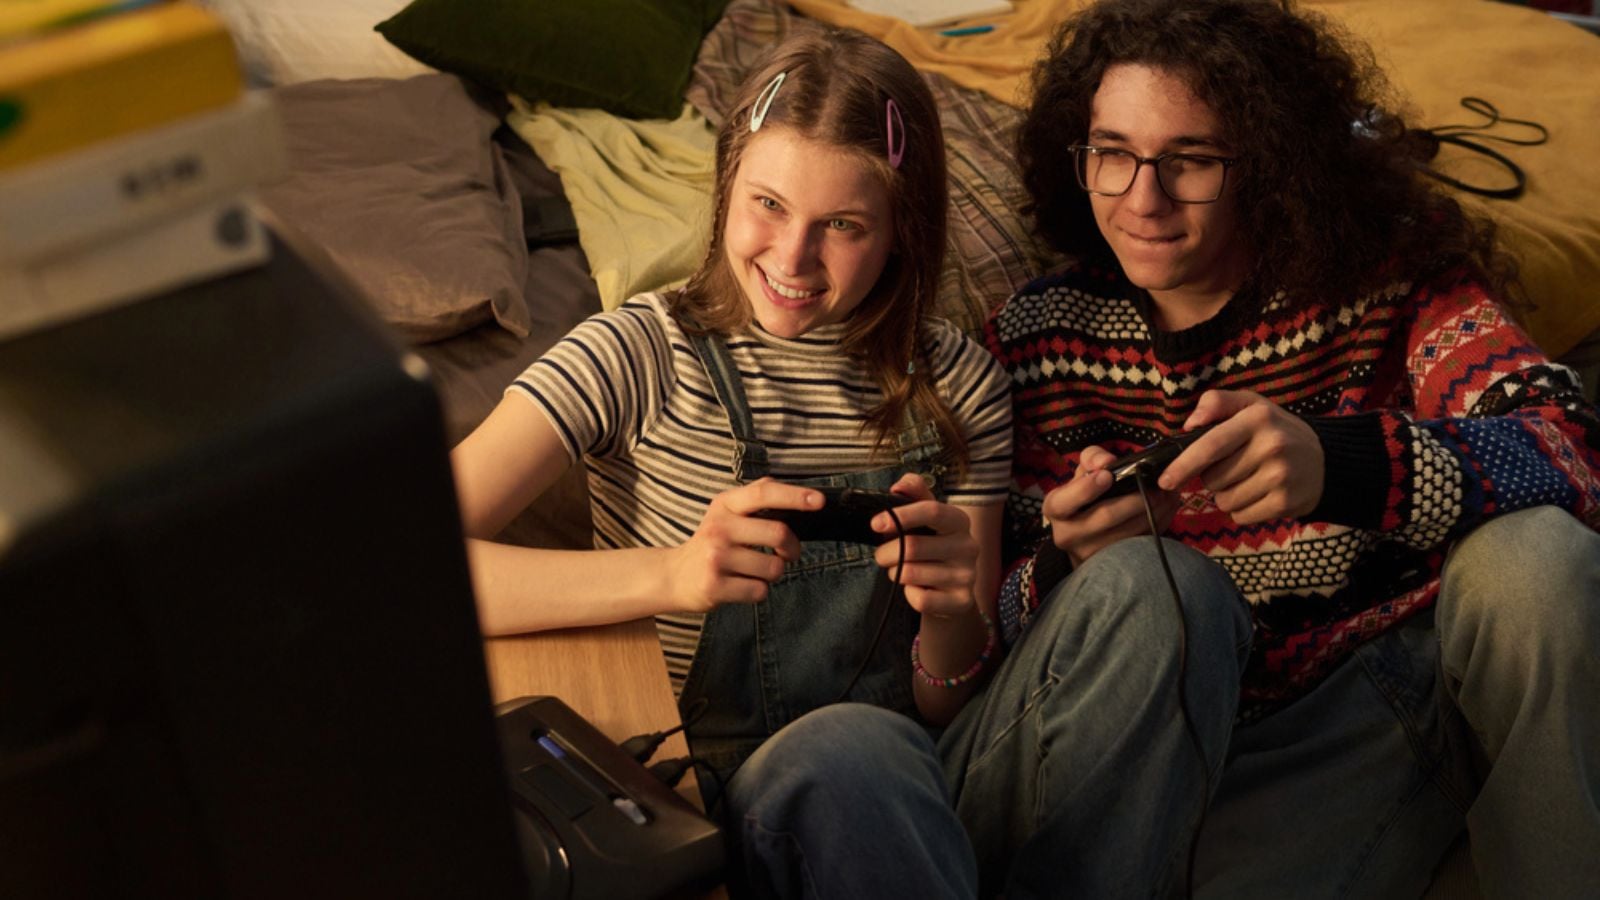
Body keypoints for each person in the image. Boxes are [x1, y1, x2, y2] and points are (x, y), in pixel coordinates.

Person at [984, 0, 1600, 897]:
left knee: (1539, 559)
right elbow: (980, 628)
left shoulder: (1388, 276)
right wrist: (1063, 563)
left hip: (1428, 668)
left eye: (1189, 161)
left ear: (1268, 164)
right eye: (1111, 155)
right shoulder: (1038, 336)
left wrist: (1341, 464)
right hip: (1244, 737)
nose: (1141, 199)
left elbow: (1569, 446)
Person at [452, 27, 1016, 897]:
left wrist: (947, 615)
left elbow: (946, 703)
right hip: (700, 799)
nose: (792, 259)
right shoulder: (636, 352)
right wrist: (674, 575)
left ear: (903, 229)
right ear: (725, 189)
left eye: (843, 226)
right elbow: (403, 563)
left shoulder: (963, 386)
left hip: (897, 783)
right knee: (852, 746)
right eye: (768, 205)